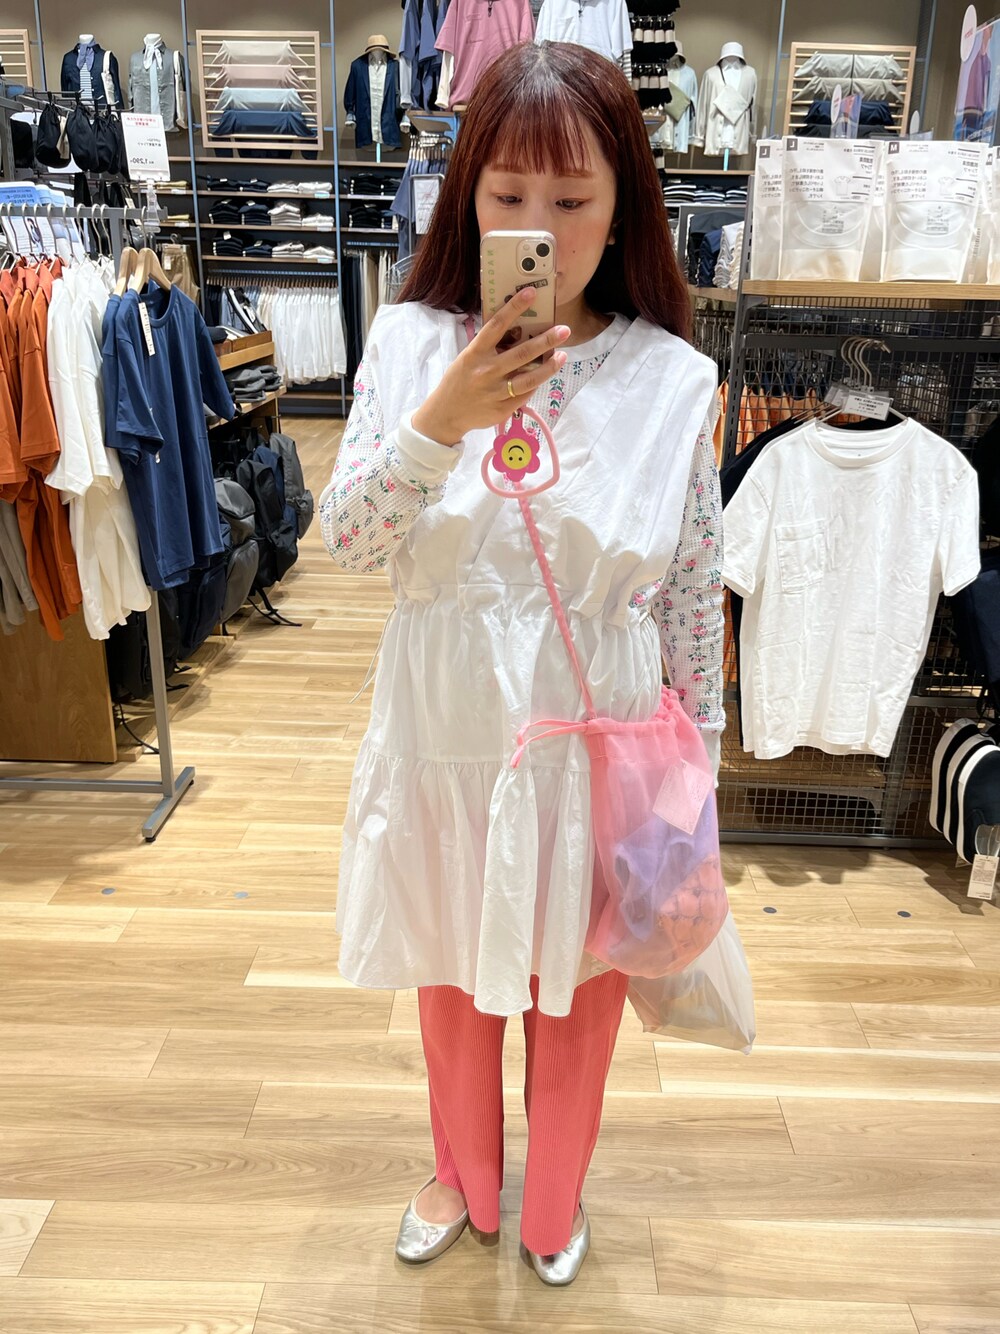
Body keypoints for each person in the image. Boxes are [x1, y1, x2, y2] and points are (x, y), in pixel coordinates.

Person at [319, 39, 724, 1285]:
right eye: (506, 196)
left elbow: (691, 587)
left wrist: (695, 773)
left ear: (624, 207)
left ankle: (552, 1199)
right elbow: (347, 541)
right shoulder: (407, 344)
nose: (537, 226)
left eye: (571, 198)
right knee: (451, 972)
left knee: (581, 988)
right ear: (466, 198)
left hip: (594, 739)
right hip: (446, 725)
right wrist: (441, 420)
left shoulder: (671, 377)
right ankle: (462, 1174)